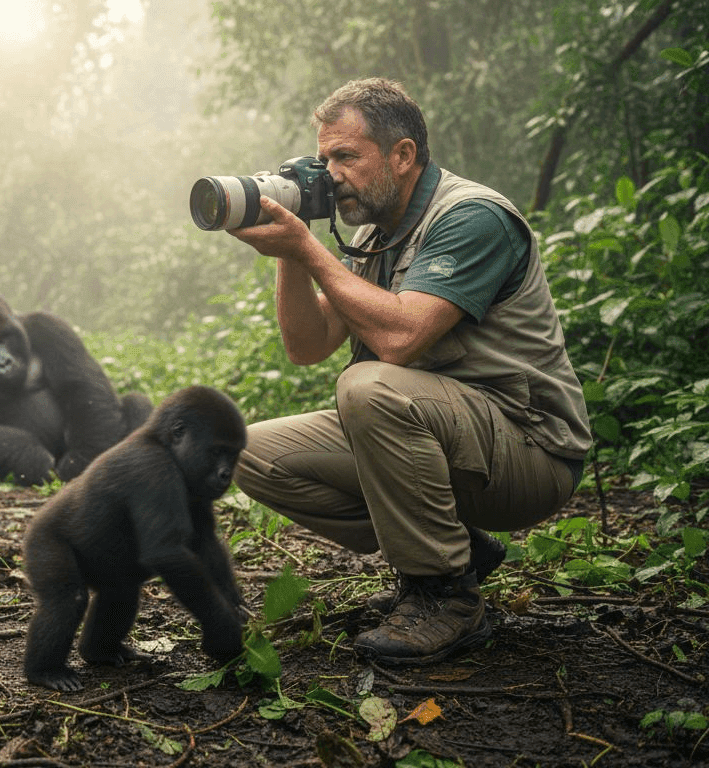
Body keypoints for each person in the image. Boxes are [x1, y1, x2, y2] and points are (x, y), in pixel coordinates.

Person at [227, 78, 591, 666]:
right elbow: (307, 344)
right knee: (250, 451)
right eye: (324, 158)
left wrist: (310, 250)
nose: (331, 172)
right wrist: (292, 254)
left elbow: (400, 337)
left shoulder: (472, 216)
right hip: (443, 439)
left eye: (346, 155)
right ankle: (457, 550)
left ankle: (444, 596)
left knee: (367, 386)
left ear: (403, 155)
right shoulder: (372, 232)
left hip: (529, 450)